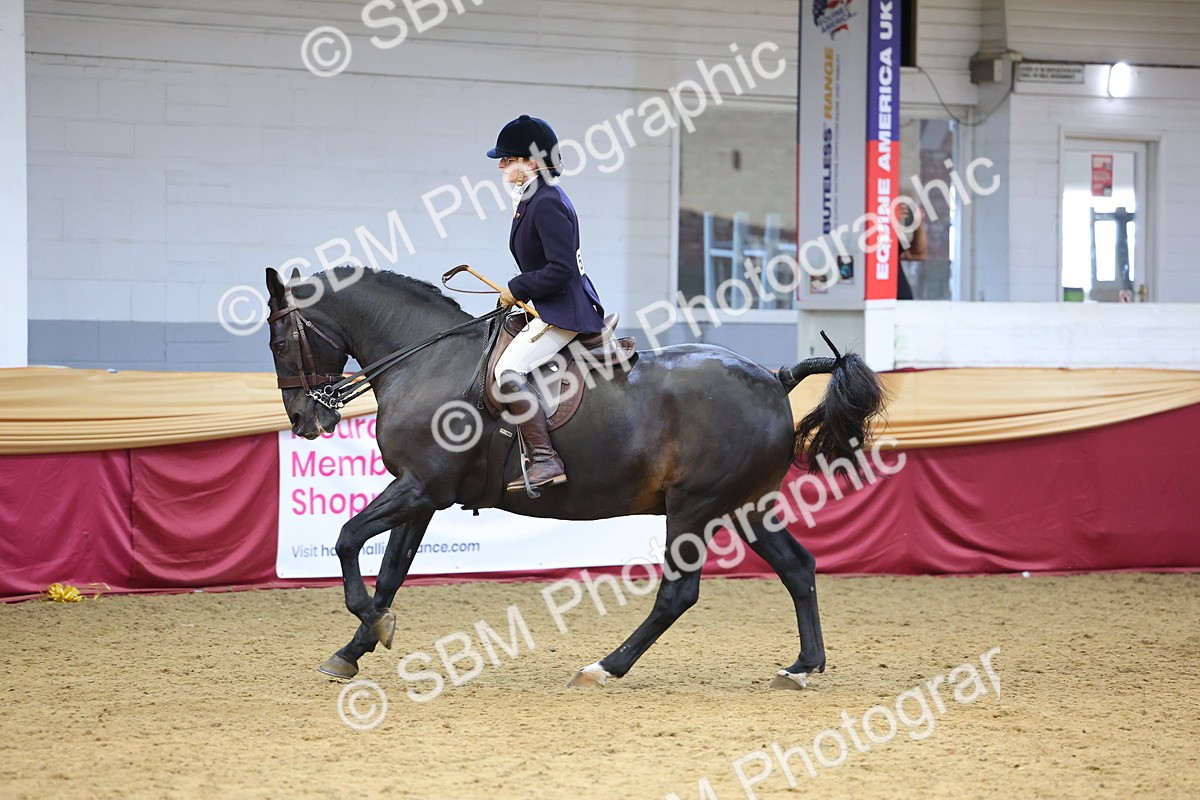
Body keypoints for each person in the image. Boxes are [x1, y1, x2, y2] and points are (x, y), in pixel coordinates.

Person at [486, 115, 606, 492]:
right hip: (550, 304)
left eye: (508, 160)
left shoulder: (547, 201)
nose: (502, 167)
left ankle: (544, 460)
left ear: (532, 162)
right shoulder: (533, 198)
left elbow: (561, 268)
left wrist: (516, 287)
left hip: (565, 310)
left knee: (507, 373)